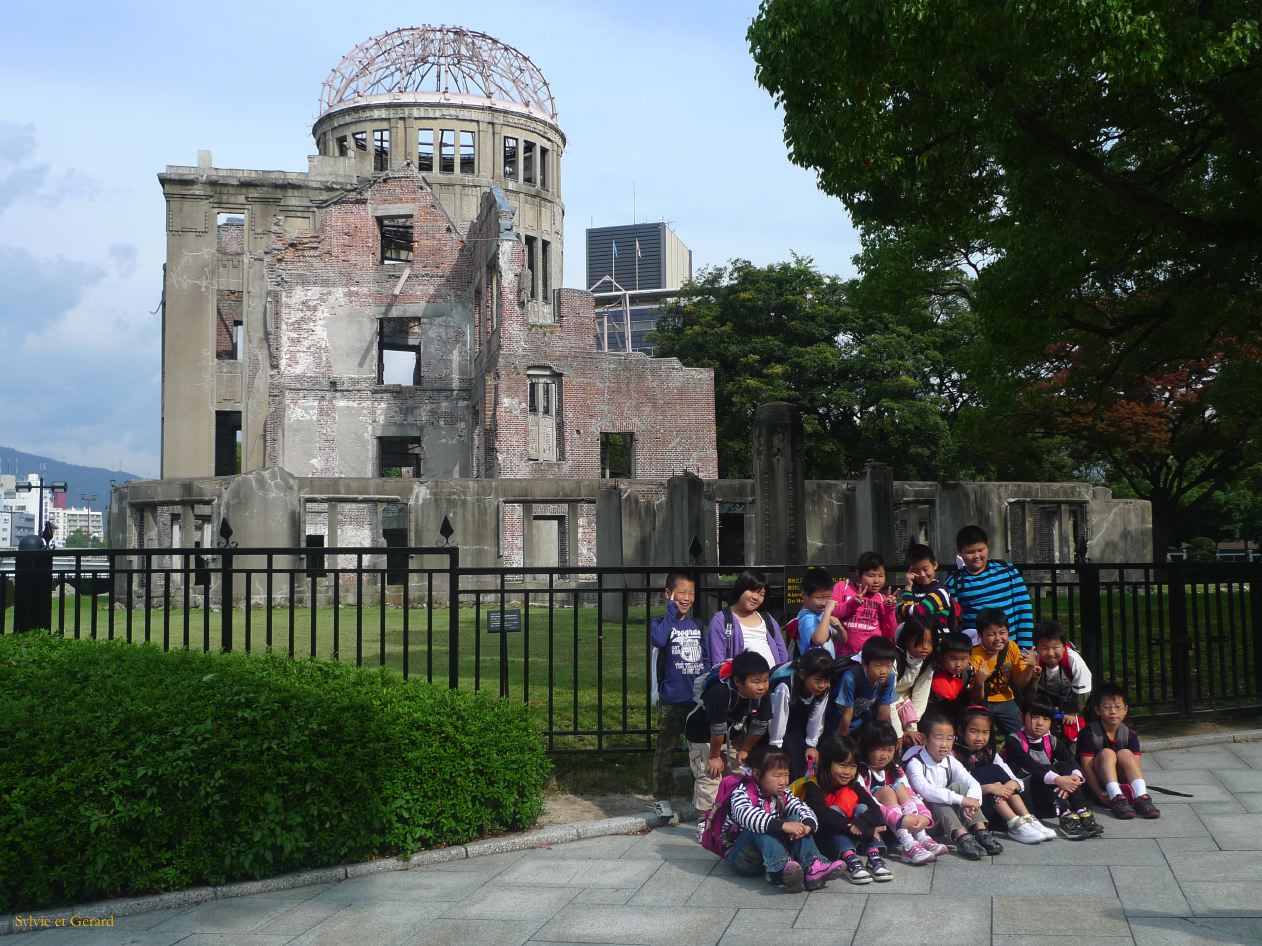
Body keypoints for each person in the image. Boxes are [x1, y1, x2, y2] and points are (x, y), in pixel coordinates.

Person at [716, 746, 844, 892]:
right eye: (777, 776)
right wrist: (783, 826)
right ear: (757, 773)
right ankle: (780, 869)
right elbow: (746, 815)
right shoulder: (742, 792)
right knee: (758, 825)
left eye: (786, 775)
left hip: (766, 857)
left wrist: (807, 825)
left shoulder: (783, 794)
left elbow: (802, 808)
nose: (783, 781)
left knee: (796, 818)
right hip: (743, 859)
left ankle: (813, 867)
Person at [685, 651, 774, 828]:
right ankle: (706, 823)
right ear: (738, 681)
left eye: (765, 680)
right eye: (756, 682)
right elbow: (717, 728)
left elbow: (760, 725)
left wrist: (745, 749)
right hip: (703, 735)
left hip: (731, 733)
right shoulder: (720, 692)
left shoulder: (762, 695)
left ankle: (734, 817)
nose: (762, 687)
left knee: (739, 772)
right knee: (710, 776)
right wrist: (714, 757)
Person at [904, 709, 1004, 860]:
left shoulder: (950, 760)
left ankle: (980, 830)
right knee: (937, 797)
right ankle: (961, 836)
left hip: (951, 817)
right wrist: (962, 800)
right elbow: (927, 791)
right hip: (926, 822)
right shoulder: (915, 763)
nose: (944, 744)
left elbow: (972, 783)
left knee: (960, 786)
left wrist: (972, 802)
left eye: (950, 739)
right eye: (938, 738)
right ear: (924, 739)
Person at [953, 705, 1055, 843]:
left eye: (985, 732)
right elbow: (957, 789)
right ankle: (1014, 824)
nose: (980, 737)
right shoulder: (953, 756)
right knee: (990, 771)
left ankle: (1027, 818)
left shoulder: (989, 752)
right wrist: (991, 788)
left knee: (997, 772)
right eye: (974, 731)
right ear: (960, 730)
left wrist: (1011, 784)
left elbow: (1013, 778)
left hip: (998, 808)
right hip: (973, 812)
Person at [649, 570, 706, 818]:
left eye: (691, 593)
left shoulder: (699, 624)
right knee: (666, 752)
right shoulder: (659, 624)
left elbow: (706, 657)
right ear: (669, 593)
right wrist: (671, 612)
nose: (687, 597)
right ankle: (662, 798)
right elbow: (659, 641)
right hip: (672, 700)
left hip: (695, 700)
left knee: (701, 752)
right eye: (681, 592)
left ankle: (703, 798)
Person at [1003, 698, 1103, 839]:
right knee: (1049, 767)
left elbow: (1071, 760)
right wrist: (1058, 780)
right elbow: (1031, 767)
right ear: (1022, 716)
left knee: (1064, 766)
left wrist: (1074, 778)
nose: (1040, 723)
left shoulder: (1052, 740)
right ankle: (1065, 816)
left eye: (1046, 719)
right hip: (1027, 793)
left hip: (1051, 792)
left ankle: (1081, 810)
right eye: (1035, 717)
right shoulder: (1014, 741)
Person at [798, 735, 892, 883]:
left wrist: (861, 823)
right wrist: (862, 829)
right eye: (842, 765)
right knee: (834, 810)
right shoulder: (813, 785)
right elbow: (824, 817)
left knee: (863, 808)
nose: (847, 772)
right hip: (826, 841)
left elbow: (876, 811)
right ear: (827, 763)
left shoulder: (852, 784)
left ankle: (874, 855)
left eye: (852, 766)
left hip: (853, 833)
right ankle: (850, 860)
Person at [856, 722, 945, 865]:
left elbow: (911, 794)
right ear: (867, 748)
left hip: (901, 820)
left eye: (890, 750)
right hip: (876, 818)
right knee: (887, 791)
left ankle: (921, 837)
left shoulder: (894, 769)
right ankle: (908, 845)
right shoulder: (861, 772)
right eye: (879, 749)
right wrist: (899, 819)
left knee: (901, 787)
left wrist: (924, 816)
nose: (885, 755)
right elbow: (869, 802)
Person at [1077, 682, 1161, 819]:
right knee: (1107, 753)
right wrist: (1099, 795)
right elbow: (1087, 769)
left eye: (1117, 707)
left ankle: (1141, 797)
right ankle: (1116, 797)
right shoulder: (1088, 733)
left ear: (1125, 709)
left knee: (1126, 753)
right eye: (1107, 707)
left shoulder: (1130, 734)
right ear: (1097, 710)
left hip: (1123, 782)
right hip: (1100, 785)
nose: (1113, 711)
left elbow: (1136, 766)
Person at [945, 525, 1036, 648]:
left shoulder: (1008, 570)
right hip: (978, 652)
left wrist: (1025, 648)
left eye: (980, 550)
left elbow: (1023, 609)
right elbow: (955, 622)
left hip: (1011, 649)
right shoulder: (954, 582)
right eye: (970, 552)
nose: (976, 555)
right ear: (959, 552)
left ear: (988, 546)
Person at [969, 609, 1038, 737]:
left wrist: (1030, 666)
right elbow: (975, 698)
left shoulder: (1011, 647)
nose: (998, 639)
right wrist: (979, 682)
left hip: (1006, 699)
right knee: (981, 737)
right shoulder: (974, 656)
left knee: (1020, 736)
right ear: (980, 635)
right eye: (991, 634)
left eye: (1002, 633)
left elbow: (1020, 683)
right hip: (984, 701)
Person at [767, 649, 834, 780]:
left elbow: (817, 716)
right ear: (803, 674)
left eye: (826, 681)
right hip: (775, 728)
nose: (822, 685)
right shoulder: (784, 686)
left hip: (799, 726)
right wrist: (776, 750)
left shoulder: (824, 688)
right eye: (817, 680)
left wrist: (811, 745)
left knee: (802, 763)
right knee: (785, 762)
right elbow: (777, 718)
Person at [708, 570, 790, 669]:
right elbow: (718, 661)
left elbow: (782, 653)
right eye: (752, 590)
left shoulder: (767, 618)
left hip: (771, 681)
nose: (756, 597)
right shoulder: (721, 620)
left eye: (761, 594)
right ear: (741, 589)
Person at [1028, 621, 1092, 740]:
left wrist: (1073, 711)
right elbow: (1027, 691)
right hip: (1043, 698)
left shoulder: (1074, 661)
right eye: (1044, 648)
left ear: (1064, 646)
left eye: (1055, 647)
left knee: (1071, 727)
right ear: (1036, 648)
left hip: (1070, 698)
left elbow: (1083, 690)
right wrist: (1032, 674)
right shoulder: (1033, 660)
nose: (1051, 653)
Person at [831, 551, 898, 660]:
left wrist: (890, 610)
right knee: (849, 678)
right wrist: (853, 603)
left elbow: (889, 634)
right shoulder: (843, 587)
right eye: (871, 575)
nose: (876, 581)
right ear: (858, 574)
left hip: (873, 658)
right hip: (845, 657)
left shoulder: (883, 599)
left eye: (881, 575)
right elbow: (832, 613)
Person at [831, 636, 898, 736]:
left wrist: (881, 737)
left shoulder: (889, 678)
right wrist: (842, 742)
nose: (884, 671)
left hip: (862, 722)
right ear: (864, 664)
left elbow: (884, 710)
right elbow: (846, 715)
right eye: (877, 665)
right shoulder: (851, 678)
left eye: (888, 665)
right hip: (836, 723)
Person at [897, 543, 958, 639]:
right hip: (917, 644)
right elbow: (907, 617)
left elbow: (916, 613)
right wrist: (908, 587)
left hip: (937, 643)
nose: (922, 574)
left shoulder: (941, 592)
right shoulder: (912, 589)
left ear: (935, 565)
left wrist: (901, 607)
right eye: (916, 571)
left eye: (925, 569)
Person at [891, 615, 935, 745]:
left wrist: (911, 728)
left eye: (930, 642)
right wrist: (898, 733)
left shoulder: (928, 663)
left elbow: (921, 696)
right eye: (921, 642)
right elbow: (888, 698)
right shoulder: (894, 659)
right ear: (907, 640)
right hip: (885, 703)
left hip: (905, 704)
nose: (926, 648)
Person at [926, 632, 975, 724]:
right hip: (934, 716)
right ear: (942, 657)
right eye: (953, 659)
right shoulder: (932, 672)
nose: (958, 665)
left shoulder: (969, 672)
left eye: (963, 659)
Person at [795, 566, 843, 657]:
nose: (824, 603)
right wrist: (828, 611)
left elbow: (842, 640)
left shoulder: (821, 615)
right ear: (804, 595)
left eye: (828, 597)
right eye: (819, 598)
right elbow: (819, 640)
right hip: (814, 669)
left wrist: (839, 628)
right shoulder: (807, 618)